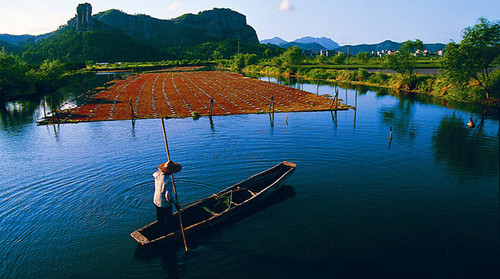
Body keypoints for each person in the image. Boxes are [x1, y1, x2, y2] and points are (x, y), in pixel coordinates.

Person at [153, 160, 182, 233]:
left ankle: (160, 228)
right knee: (168, 219)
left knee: (160, 217)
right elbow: (168, 197)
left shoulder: (157, 174)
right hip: (164, 204)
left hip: (156, 200)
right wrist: (176, 204)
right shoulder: (167, 180)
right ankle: (169, 232)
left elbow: (154, 174)